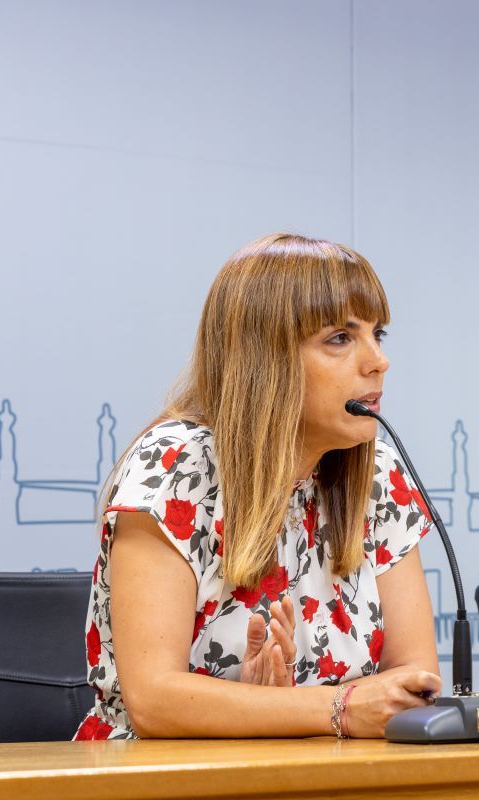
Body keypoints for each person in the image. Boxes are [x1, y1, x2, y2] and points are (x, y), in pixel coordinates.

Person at [75, 232, 442, 740]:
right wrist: (328, 708)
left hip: (327, 773)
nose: (378, 359)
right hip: (154, 778)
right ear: (263, 357)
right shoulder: (176, 466)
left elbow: (412, 681)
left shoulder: (377, 472)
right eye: (340, 338)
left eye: (378, 334)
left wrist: (271, 710)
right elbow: (154, 702)